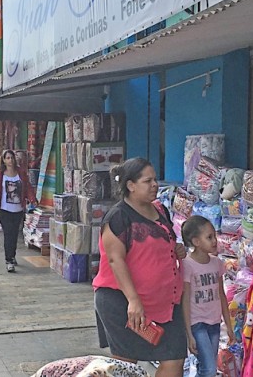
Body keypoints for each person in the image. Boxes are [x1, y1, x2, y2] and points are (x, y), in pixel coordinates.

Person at [93, 157, 187, 376]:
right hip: (125, 304)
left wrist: (176, 250)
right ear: (131, 186)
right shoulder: (118, 217)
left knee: (174, 357)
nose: (155, 184)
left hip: (164, 304)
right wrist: (133, 300)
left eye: (155, 180)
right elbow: (116, 260)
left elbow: (160, 245)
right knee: (127, 364)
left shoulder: (160, 210)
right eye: (148, 181)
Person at [181, 215, 235, 377]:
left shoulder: (217, 263)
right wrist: (188, 332)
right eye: (209, 237)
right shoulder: (187, 265)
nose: (214, 241)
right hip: (197, 323)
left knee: (206, 366)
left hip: (214, 322)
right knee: (210, 369)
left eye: (214, 236)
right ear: (196, 241)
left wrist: (229, 326)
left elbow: (222, 295)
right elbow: (185, 299)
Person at [0, 149, 37, 273]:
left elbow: (28, 187)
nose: (10, 160)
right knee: (8, 234)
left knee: (14, 234)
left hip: (18, 210)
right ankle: (8, 260)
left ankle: (12, 255)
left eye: (11, 158)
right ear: (3, 160)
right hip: (4, 210)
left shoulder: (21, 174)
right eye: (7, 158)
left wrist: (32, 199)